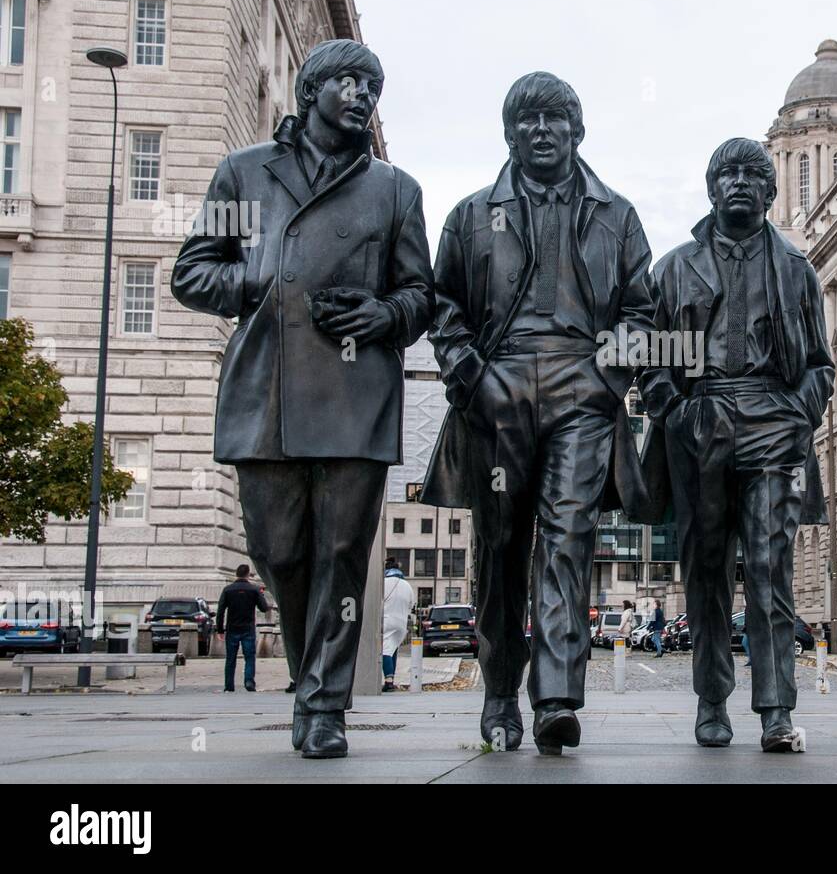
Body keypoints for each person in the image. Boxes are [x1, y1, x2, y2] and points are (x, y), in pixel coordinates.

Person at [172, 39, 434, 758]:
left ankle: (323, 703)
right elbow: (191, 274)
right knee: (280, 550)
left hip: (356, 393)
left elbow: (422, 296)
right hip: (267, 389)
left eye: (372, 86)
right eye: (347, 81)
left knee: (344, 554)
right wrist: (260, 281)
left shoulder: (395, 189)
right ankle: (309, 673)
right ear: (310, 88)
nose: (361, 95)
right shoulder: (245, 173)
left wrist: (383, 316)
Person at [420, 72, 655, 756]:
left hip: (582, 391)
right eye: (529, 120)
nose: (543, 130)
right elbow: (444, 307)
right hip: (498, 388)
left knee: (566, 535)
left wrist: (609, 375)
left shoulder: (617, 215)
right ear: (509, 133)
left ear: (578, 131)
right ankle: (500, 692)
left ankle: (554, 696)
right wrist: (471, 377)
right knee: (499, 548)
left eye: (556, 118)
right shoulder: (470, 215)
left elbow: (642, 311)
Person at [639, 137, 834, 752]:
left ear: (771, 192)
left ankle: (777, 709)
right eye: (729, 173)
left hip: (773, 423)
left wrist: (797, 415)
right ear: (711, 188)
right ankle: (712, 700)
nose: (741, 182)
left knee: (771, 568)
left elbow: (821, 367)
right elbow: (650, 358)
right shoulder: (673, 269)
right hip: (701, 423)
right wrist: (675, 410)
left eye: (754, 173)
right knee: (706, 568)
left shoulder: (797, 270)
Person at [216, 564, 269, 692]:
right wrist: (261, 595)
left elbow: (220, 611)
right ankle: (249, 681)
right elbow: (264, 607)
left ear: (236, 574)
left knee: (230, 658)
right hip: (248, 628)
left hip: (232, 627)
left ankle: (229, 685)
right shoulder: (254, 589)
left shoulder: (228, 590)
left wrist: (220, 630)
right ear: (248, 574)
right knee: (249, 657)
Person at [381, 557, 415, 692]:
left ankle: (389, 683)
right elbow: (411, 605)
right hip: (401, 623)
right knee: (393, 649)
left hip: (387, 620)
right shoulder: (407, 585)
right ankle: (392, 679)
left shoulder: (384, 582)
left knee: (385, 651)